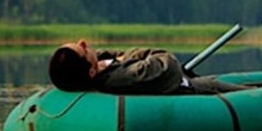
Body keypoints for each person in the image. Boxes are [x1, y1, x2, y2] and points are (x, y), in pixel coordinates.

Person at [48, 39, 250, 95]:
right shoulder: (119, 77)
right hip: (190, 88)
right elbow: (166, 63)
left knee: (246, 81)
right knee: (248, 93)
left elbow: (104, 56)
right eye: (83, 49)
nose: (84, 42)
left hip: (187, 80)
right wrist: (129, 56)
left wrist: (105, 59)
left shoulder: (99, 71)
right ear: (91, 72)